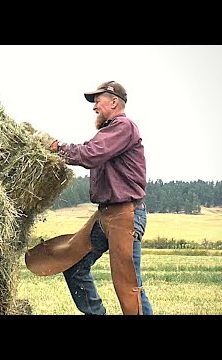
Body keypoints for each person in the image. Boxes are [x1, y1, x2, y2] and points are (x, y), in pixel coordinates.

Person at [47, 81, 153, 315]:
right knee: (73, 264)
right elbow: (89, 149)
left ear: (114, 102)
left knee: (129, 287)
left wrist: (57, 147)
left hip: (126, 214)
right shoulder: (108, 133)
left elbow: (90, 154)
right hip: (106, 215)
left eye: (98, 100)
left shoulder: (123, 127)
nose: (94, 106)